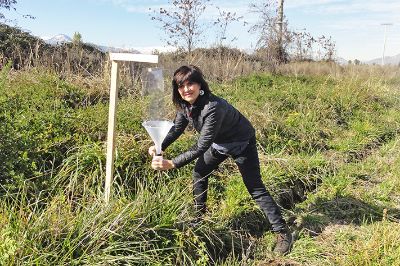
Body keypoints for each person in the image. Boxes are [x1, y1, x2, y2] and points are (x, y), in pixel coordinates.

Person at [148, 65, 293, 255]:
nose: (186, 89)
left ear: (200, 85)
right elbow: (176, 128)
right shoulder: (185, 106)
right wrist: (160, 145)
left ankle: (282, 232)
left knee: (255, 187)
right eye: (181, 86)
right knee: (199, 173)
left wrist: (172, 163)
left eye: (190, 84)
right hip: (219, 144)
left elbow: (200, 146)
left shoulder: (213, 107)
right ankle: (198, 219)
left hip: (242, 142)